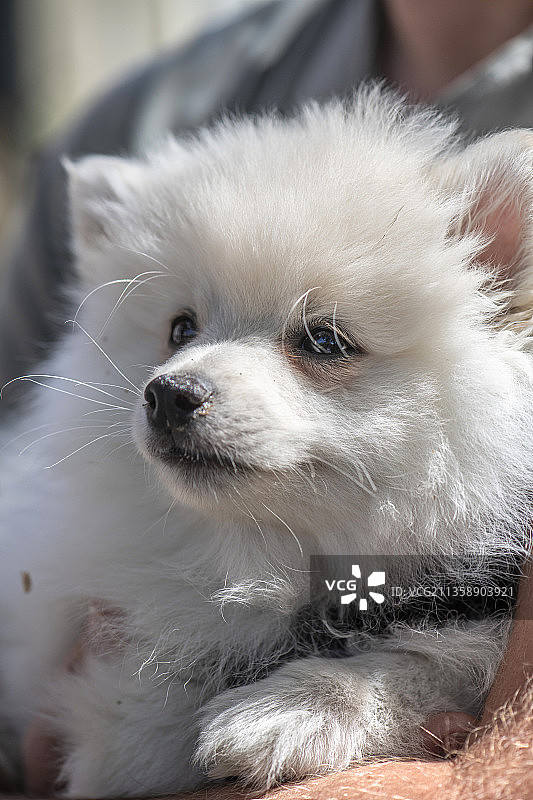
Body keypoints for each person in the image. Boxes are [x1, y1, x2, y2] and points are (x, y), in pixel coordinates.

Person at [3, 1, 533, 797]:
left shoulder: (462, 590)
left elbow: (448, 627)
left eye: (322, 342)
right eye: (182, 327)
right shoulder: (149, 107)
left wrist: (385, 693)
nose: (187, 381)